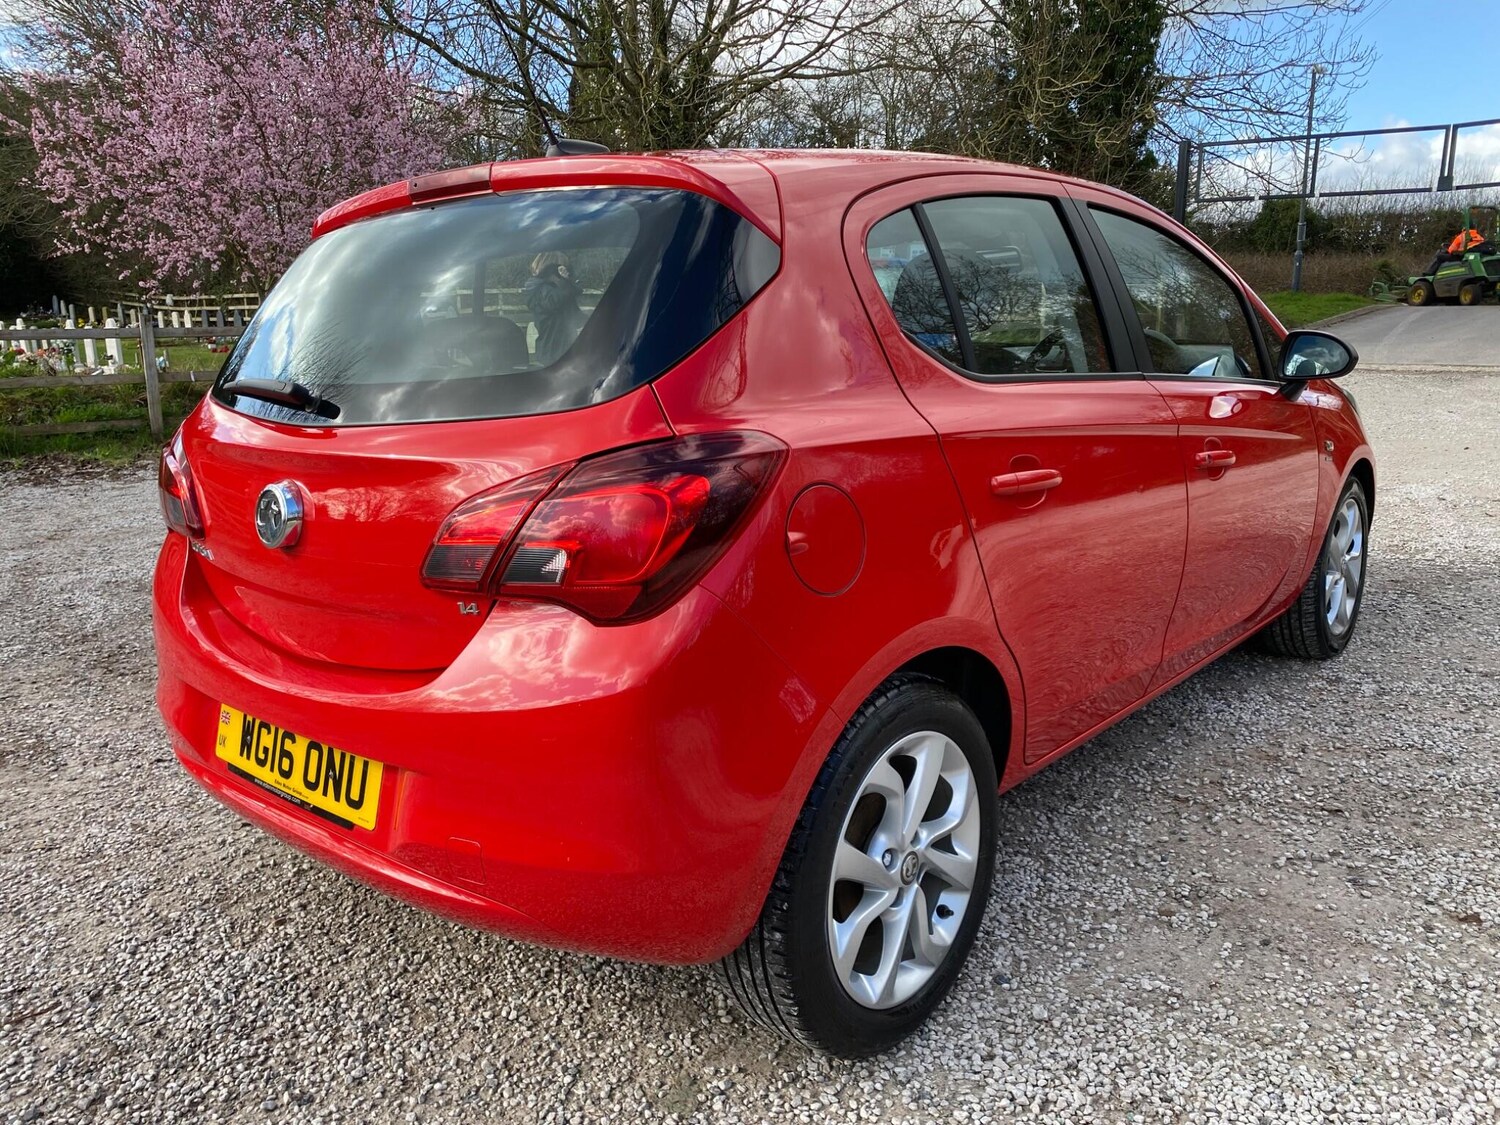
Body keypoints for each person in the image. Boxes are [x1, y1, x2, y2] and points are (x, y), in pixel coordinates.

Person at [523, 252, 586, 366]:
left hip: (563, 349)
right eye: (562, 269)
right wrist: (566, 282)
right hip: (553, 352)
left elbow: (576, 319)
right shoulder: (542, 289)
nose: (566, 272)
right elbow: (553, 302)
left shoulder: (561, 290)